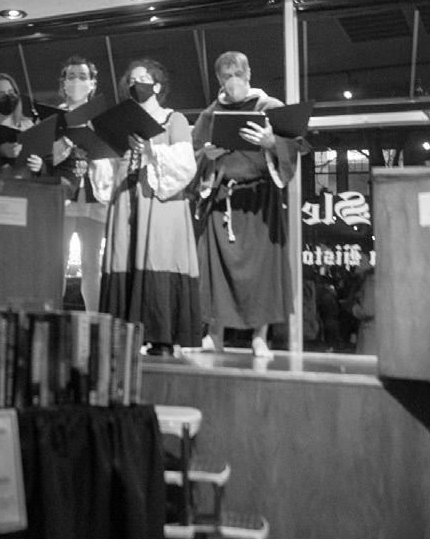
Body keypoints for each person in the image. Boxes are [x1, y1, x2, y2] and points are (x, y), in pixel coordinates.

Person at [191, 50, 306, 358]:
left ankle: (259, 337)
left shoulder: (270, 108)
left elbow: (296, 146)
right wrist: (207, 156)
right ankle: (214, 335)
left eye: (237, 74)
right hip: (223, 198)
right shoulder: (210, 115)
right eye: (226, 76)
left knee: (261, 272)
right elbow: (193, 155)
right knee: (216, 270)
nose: (233, 81)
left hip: (259, 199)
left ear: (249, 74)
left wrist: (272, 142)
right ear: (218, 79)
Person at [99, 59, 201, 351]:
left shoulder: (173, 119)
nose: (136, 83)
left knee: (157, 256)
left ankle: (161, 335)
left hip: (159, 202)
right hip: (126, 198)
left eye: (143, 78)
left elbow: (185, 164)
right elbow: (108, 164)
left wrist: (151, 150)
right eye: (131, 80)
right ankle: (124, 335)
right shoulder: (121, 121)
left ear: (157, 85)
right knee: (124, 257)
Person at [28, 55, 113, 313]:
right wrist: (64, 143)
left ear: (93, 84)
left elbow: (114, 156)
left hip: (96, 197)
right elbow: (41, 159)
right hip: (63, 197)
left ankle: (94, 321)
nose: (77, 81)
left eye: (83, 77)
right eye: (71, 76)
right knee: (58, 261)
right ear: (63, 83)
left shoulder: (104, 118)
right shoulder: (51, 119)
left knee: (92, 264)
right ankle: (53, 317)